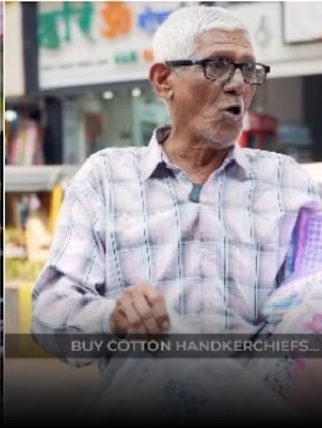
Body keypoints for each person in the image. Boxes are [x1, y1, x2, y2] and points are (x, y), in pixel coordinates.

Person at [32, 5, 322, 424]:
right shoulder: (106, 178)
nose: (239, 84)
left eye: (248, 69)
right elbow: (49, 315)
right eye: (219, 66)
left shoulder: (288, 182)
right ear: (164, 80)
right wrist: (111, 318)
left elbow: (308, 305)